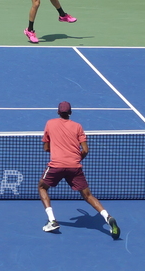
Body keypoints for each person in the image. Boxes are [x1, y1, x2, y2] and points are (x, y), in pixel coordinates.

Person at [38, 102, 121, 239]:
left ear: (58, 112)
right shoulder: (78, 126)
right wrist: (74, 160)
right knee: (88, 195)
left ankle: (52, 221)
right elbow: (85, 150)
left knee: (42, 187)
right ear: (70, 113)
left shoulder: (50, 123)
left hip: (56, 165)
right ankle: (108, 217)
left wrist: (59, 149)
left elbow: (46, 148)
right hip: (74, 166)